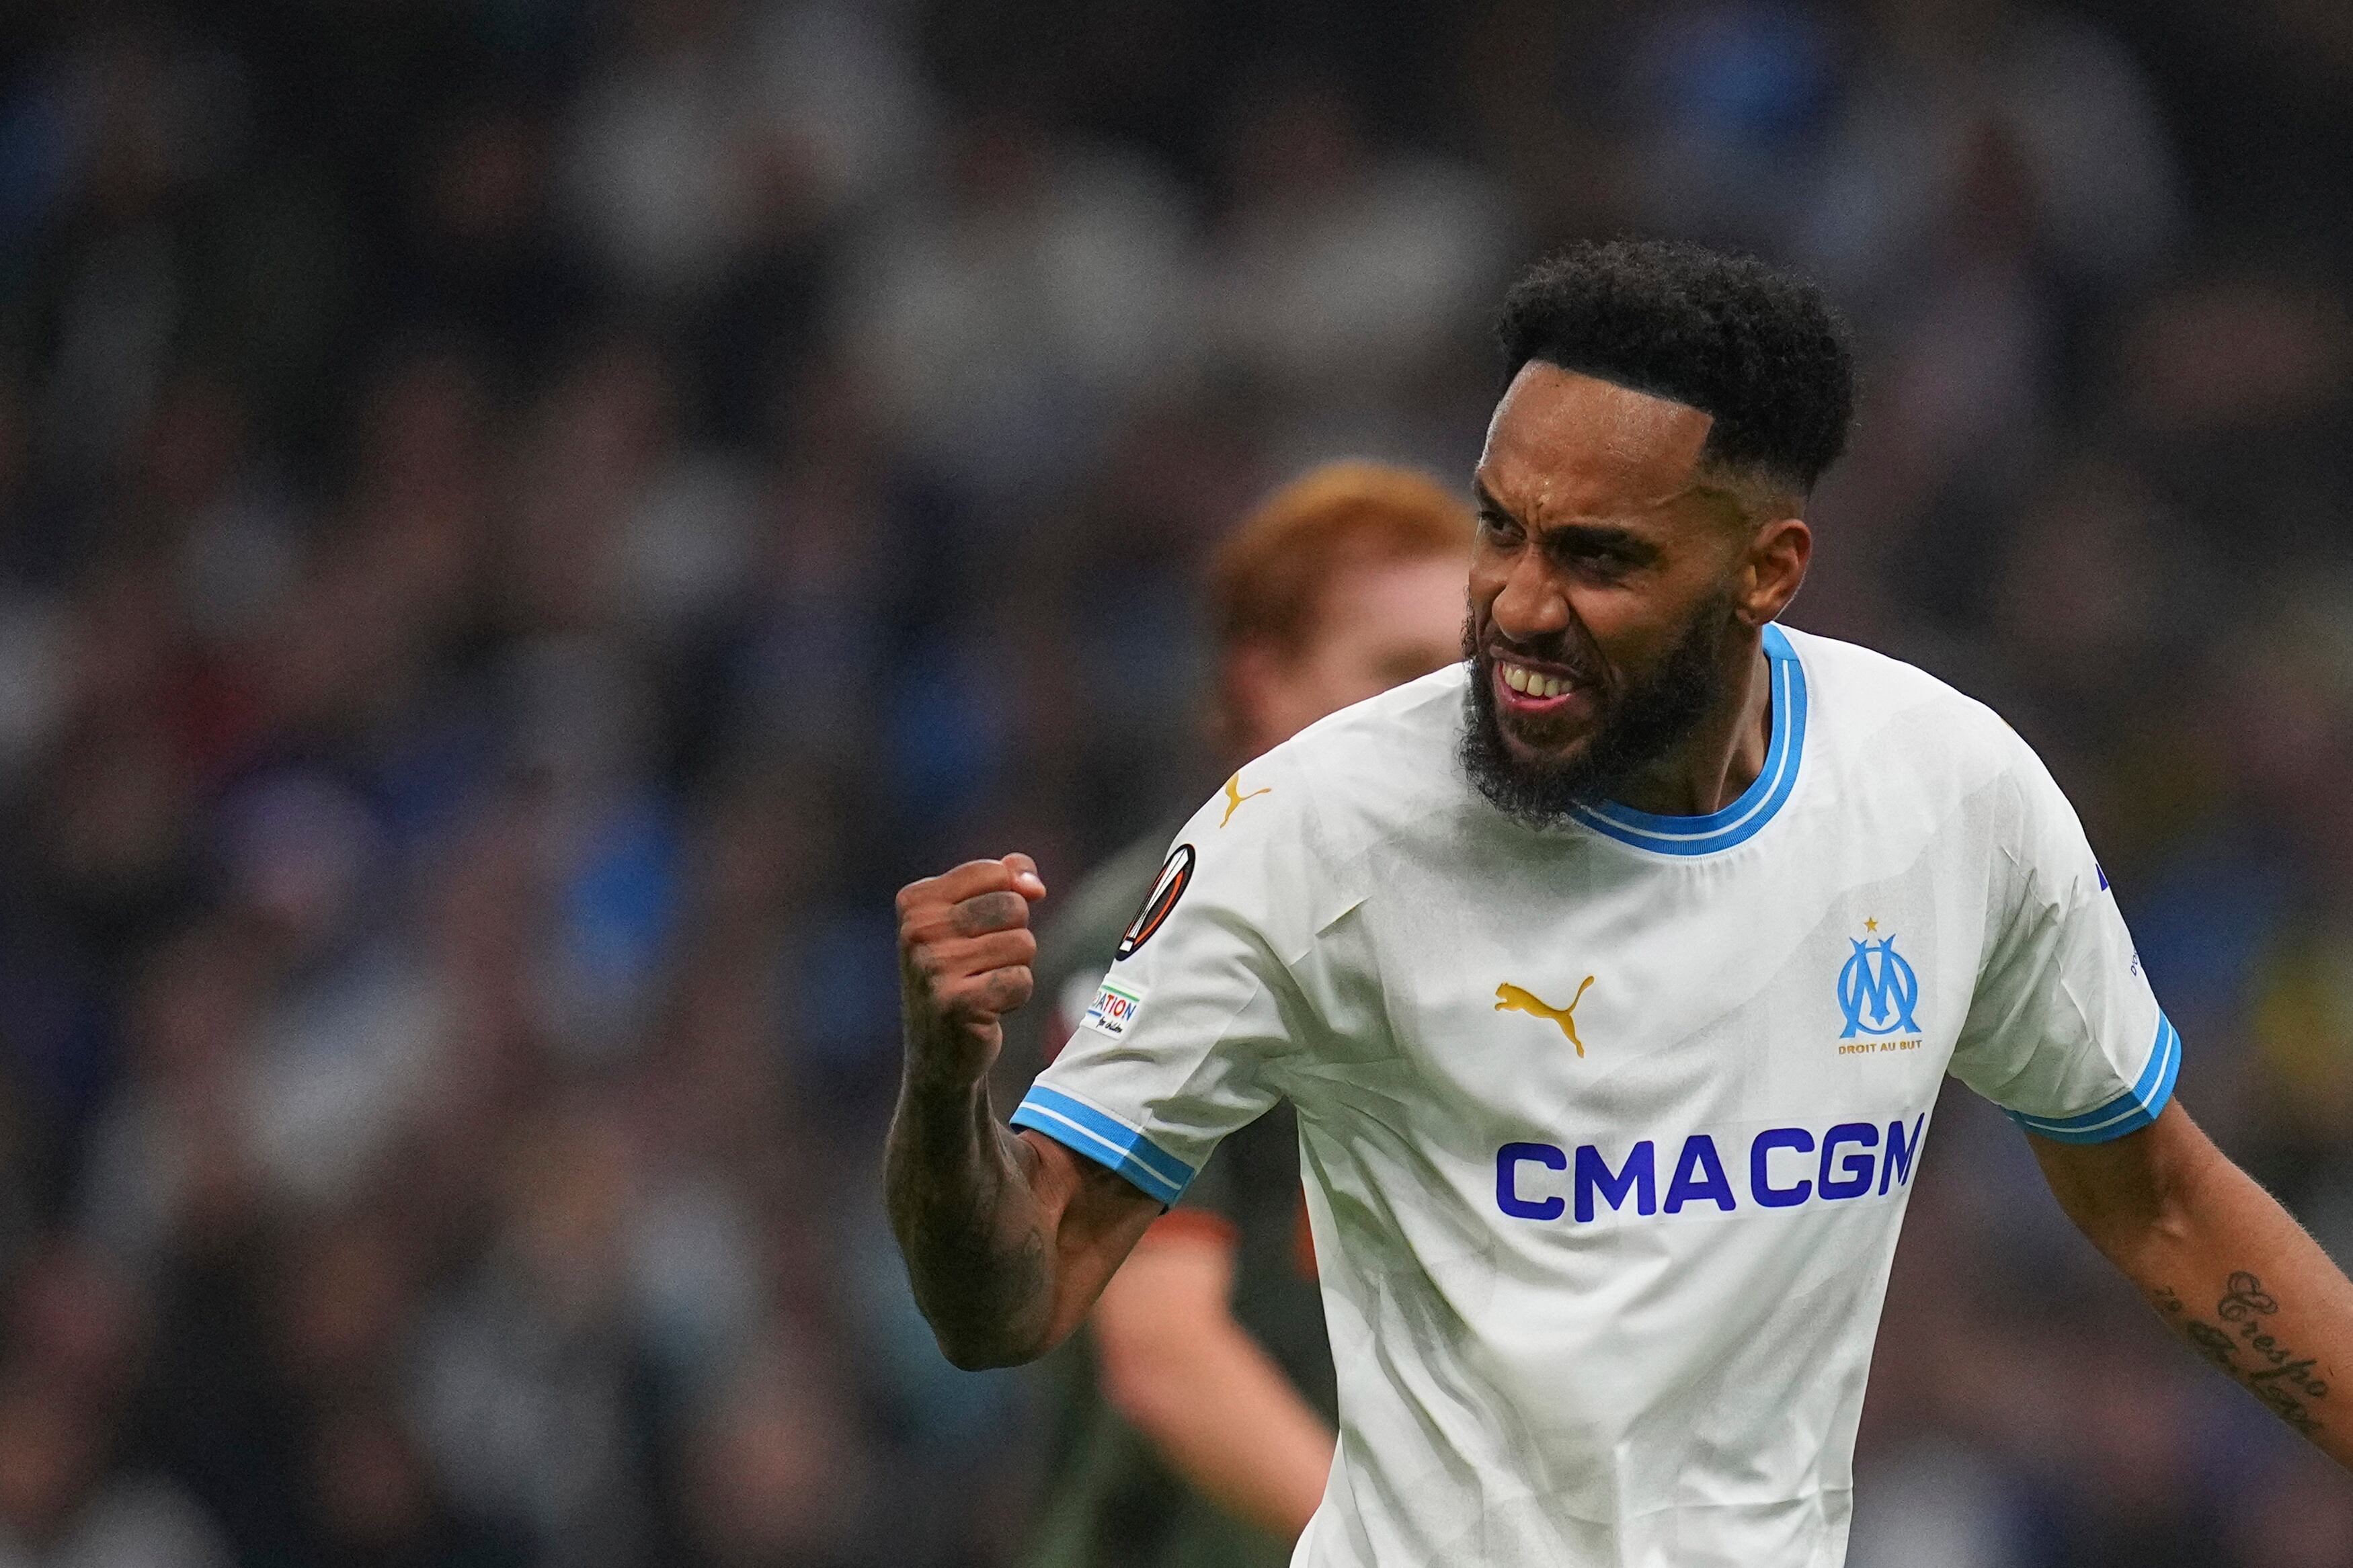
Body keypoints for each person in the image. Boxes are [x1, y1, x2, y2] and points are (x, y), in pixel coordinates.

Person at [885, 240, 2353, 1565]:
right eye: (1500, 529)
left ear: (1768, 569)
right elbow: (1008, 1303)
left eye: (1597, 558)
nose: (1518, 604)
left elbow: (2159, 1198)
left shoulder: (1947, 793)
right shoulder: (1312, 835)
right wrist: (947, 1093)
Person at [1000, 462, 1472, 1567]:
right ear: (1266, 684)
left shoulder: (1502, 948)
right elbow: (1164, 1353)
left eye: (1468, 672)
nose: (1445, 713)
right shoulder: (1165, 930)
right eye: (1399, 670)